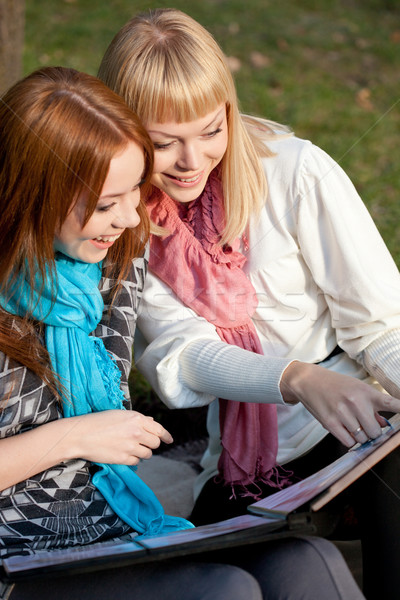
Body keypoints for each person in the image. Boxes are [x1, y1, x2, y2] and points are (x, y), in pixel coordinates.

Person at [0, 65, 363, 600]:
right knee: (223, 591)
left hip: (109, 522)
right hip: (19, 557)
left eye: (135, 192)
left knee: (305, 558)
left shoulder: (111, 256)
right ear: (34, 194)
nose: (130, 219)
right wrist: (73, 438)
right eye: (105, 204)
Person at [98, 8, 400, 600]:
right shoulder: (125, 226)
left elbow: (380, 325)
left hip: (359, 422)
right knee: (261, 570)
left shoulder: (294, 171)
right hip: (246, 457)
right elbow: (185, 361)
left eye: (212, 129)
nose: (192, 160)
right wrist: (296, 379)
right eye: (164, 143)